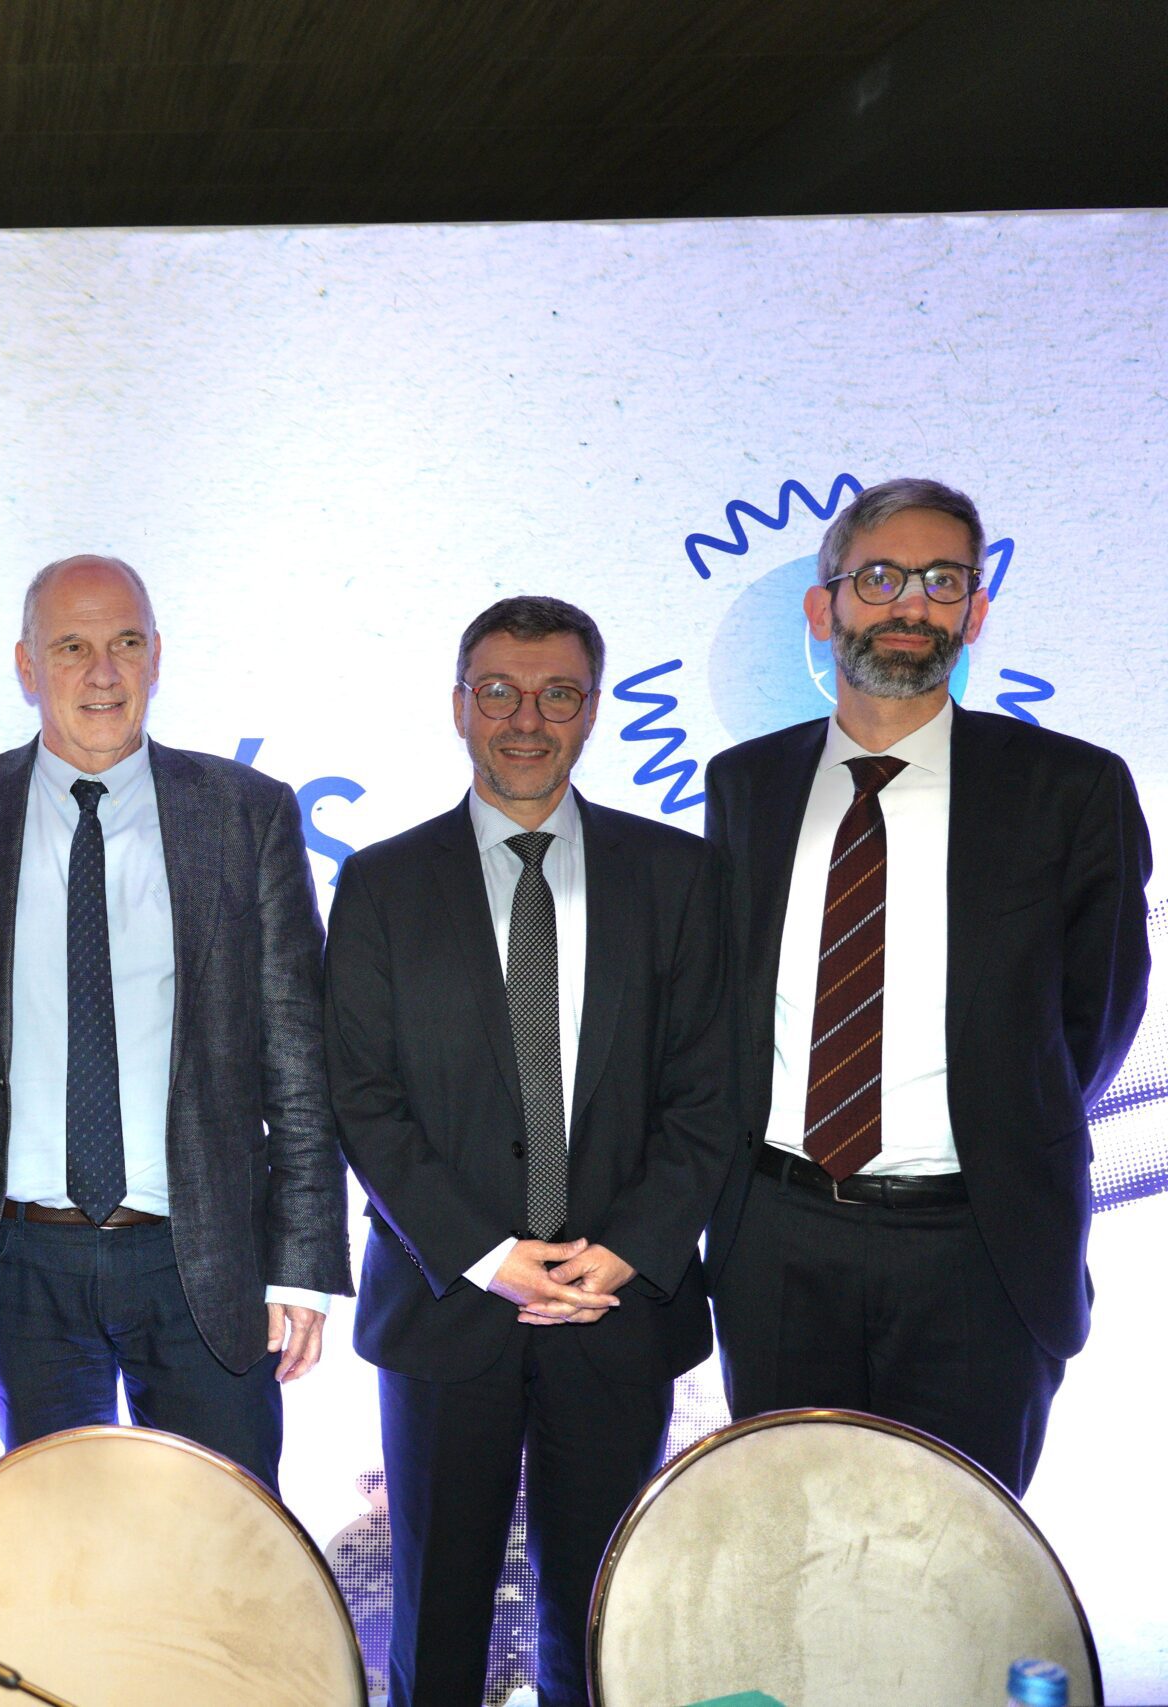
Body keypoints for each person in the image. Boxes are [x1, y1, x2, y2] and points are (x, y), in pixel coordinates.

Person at [324, 595, 737, 1707]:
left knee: (600, 1625)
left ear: (591, 711)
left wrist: (629, 1247)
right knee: (436, 1626)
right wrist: (484, 1254)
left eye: (558, 696)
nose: (526, 720)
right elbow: (362, 1099)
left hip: (616, 1307)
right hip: (445, 1304)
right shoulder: (382, 883)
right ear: (459, 705)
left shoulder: (678, 876)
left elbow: (710, 1092)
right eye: (499, 692)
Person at [704, 478, 1149, 1496]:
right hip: (777, 1243)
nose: (911, 603)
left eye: (943, 581)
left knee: (957, 1555)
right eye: (880, 577)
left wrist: (996, 1125)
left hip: (979, 1249)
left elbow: (1097, 1014)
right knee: (789, 1544)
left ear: (974, 613)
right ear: (822, 606)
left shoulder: (1072, 789)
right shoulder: (745, 785)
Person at [0, 553, 348, 1490]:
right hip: (17, 1265)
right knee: (57, 1544)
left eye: (126, 643)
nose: (103, 671)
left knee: (226, 1534)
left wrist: (302, 1263)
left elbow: (298, 1055)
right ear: (26, 665)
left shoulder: (246, 813)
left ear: (157, 657)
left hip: (202, 1259)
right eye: (72, 647)